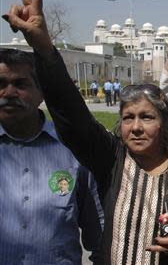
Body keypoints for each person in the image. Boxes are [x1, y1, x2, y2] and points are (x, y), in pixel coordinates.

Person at [3, 0, 168, 264]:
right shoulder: (112, 159)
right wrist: (43, 47)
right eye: (128, 118)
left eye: (146, 117)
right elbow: (72, 115)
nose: (136, 127)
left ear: (164, 122)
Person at [0, 47, 104, 264]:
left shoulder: (73, 150)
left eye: (20, 84)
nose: (8, 93)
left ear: (41, 93)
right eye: (0, 84)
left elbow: (100, 238)